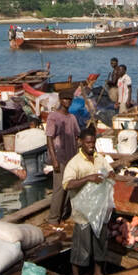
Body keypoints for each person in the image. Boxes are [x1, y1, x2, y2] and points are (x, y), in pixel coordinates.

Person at [61, 126, 115, 275]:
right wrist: (87, 178)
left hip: (98, 210)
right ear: (81, 143)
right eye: (88, 143)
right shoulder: (74, 163)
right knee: (81, 246)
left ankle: (98, 273)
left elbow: (109, 171)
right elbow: (67, 184)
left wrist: (110, 175)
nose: (91, 146)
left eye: (93, 143)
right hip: (82, 213)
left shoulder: (100, 159)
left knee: (100, 242)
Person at [45, 93, 80, 223]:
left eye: (70, 98)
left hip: (71, 157)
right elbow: (49, 138)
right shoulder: (53, 117)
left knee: (69, 187)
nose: (68, 101)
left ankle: (64, 215)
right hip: (59, 157)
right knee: (59, 189)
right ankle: (53, 219)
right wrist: (54, 159)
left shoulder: (72, 118)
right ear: (60, 99)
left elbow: (76, 137)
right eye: (65, 98)